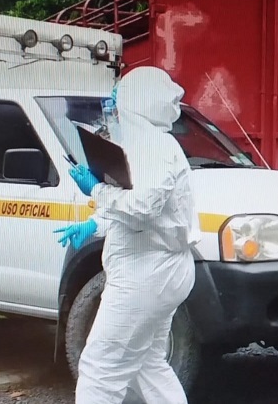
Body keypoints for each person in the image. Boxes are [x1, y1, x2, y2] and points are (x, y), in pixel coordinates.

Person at [55, 66, 201, 404]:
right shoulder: (148, 144)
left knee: (99, 367)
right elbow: (141, 210)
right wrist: (94, 223)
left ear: (139, 102)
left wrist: (97, 190)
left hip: (147, 273)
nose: (113, 107)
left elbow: (142, 208)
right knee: (148, 363)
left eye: (120, 99)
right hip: (160, 268)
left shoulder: (152, 145)